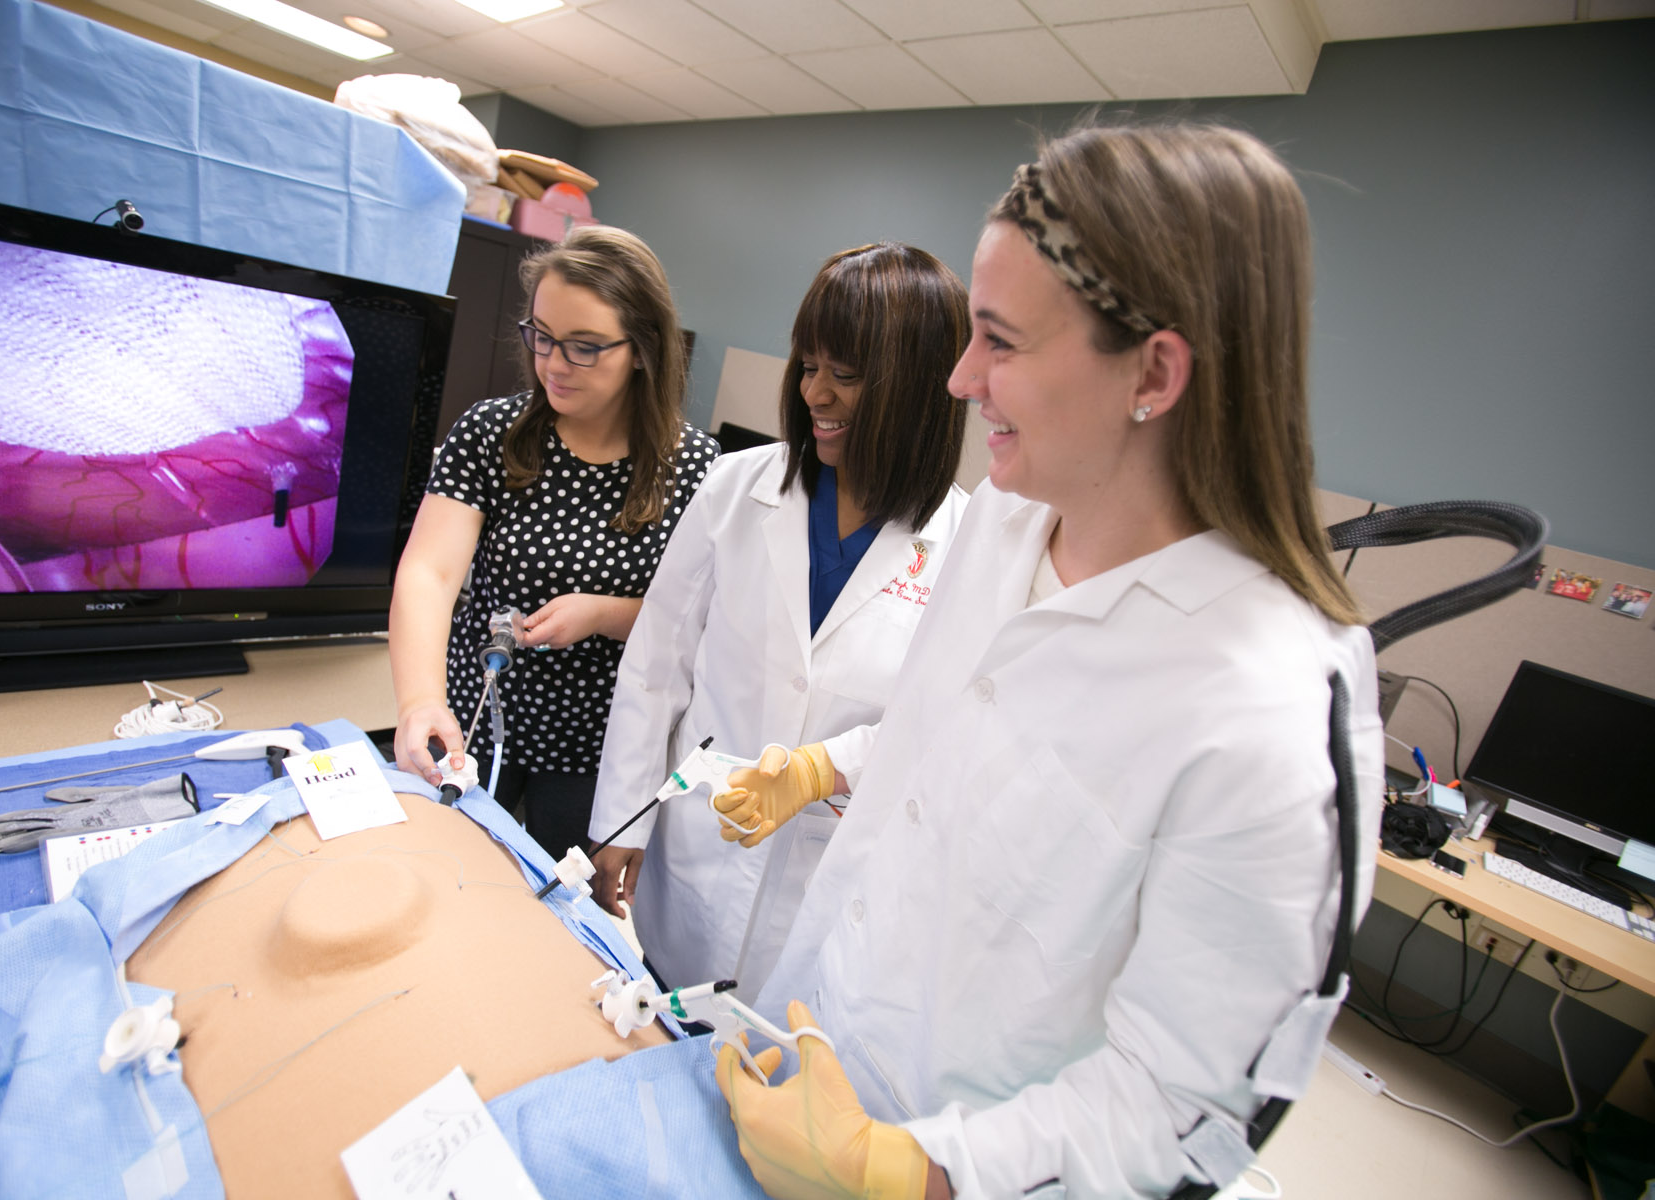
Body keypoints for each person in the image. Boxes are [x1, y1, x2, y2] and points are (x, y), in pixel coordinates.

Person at [711, 122, 1386, 1200]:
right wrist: (831, 766)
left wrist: (904, 1174)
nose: (959, 379)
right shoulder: (1007, 525)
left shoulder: (1268, 713)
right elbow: (967, 746)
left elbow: (1177, 1110)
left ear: (1154, 372)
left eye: (1001, 341)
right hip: (822, 1049)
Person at [588, 243, 971, 997]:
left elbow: (948, 726)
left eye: (846, 376)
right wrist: (620, 823)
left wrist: (830, 767)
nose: (814, 395)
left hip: (827, 895)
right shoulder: (737, 488)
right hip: (694, 857)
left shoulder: (968, 547)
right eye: (808, 366)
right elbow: (657, 665)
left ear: (920, 391)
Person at [389, 225, 717, 861]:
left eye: (584, 347)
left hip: (596, 748)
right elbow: (429, 573)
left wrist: (603, 613)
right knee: (434, 873)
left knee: (548, 911)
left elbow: (706, 626)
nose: (553, 364)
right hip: (473, 719)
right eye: (541, 336)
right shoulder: (491, 434)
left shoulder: (698, 469)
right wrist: (419, 702)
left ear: (644, 350)